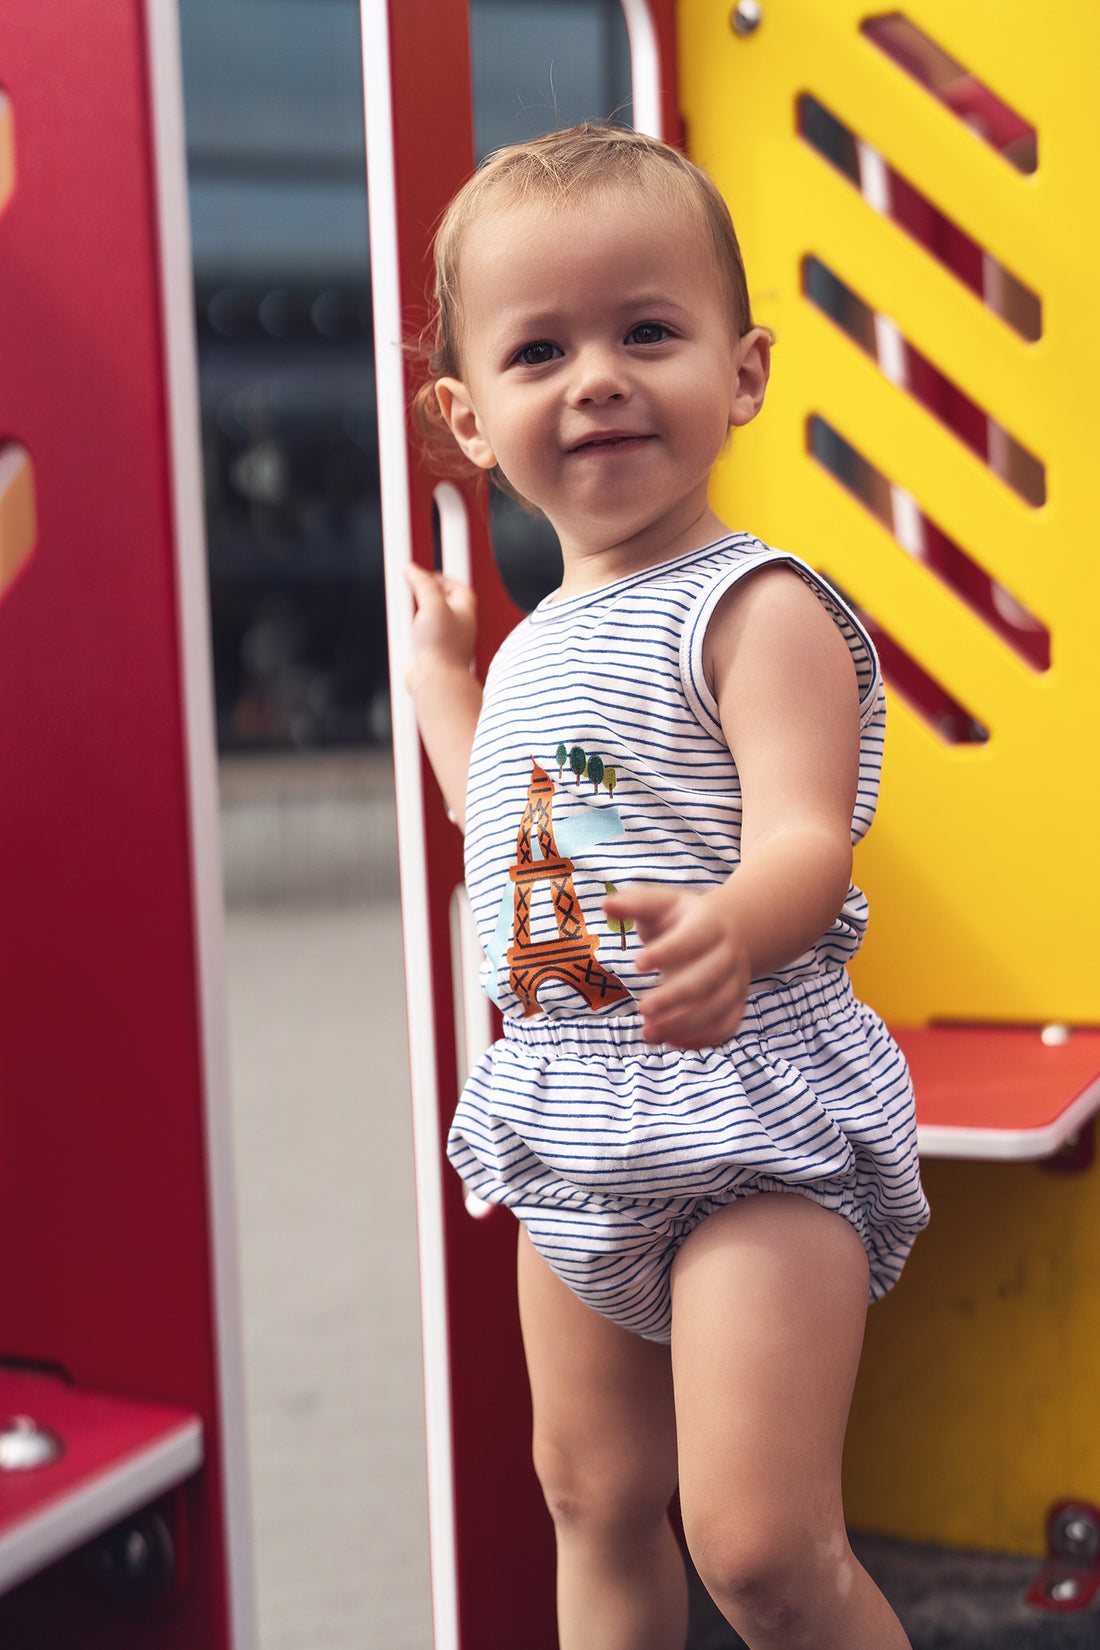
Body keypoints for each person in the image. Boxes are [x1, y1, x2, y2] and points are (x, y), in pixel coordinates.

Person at [403, 123, 928, 1650]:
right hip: (568, 1111)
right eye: (541, 349)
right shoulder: (535, 651)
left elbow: (807, 840)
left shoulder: (755, 607)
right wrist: (446, 686)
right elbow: (502, 822)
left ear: (743, 371)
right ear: (472, 415)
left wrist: (733, 928)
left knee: (758, 1544)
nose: (599, 378)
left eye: (649, 331)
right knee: (592, 1495)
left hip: (751, 1111)